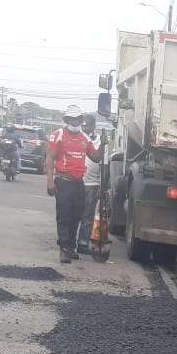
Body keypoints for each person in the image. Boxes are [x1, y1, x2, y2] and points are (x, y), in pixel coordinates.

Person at [46, 105, 103, 263]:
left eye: (77, 119)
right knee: (64, 216)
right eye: (71, 119)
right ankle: (64, 249)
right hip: (63, 182)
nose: (74, 121)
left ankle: (70, 247)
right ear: (66, 120)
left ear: (80, 120)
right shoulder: (58, 135)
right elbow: (50, 158)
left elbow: (96, 157)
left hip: (79, 183)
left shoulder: (85, 138)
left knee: (76, 217)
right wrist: (50, 181)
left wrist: (103, 145)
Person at [76, 115, 103, 255]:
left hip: (92, 184)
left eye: (87, 125)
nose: (85, 128)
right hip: (76, 182)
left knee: (87, 216)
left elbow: (104, 164)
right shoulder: (77, 138)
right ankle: (68, 241)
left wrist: (102, 186)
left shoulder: (100, 142)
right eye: (83, 125)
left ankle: (82, 243)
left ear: (93, 126)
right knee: (73, 214)